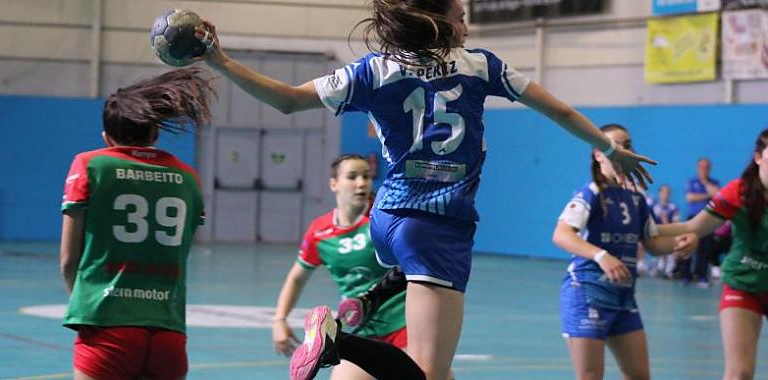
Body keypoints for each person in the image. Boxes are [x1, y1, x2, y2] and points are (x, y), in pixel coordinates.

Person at [193, 1, 656, 379]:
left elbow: (286, 100)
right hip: (437, 223)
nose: (467, 25)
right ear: (438, 25)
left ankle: (375, 299)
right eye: (460, 17)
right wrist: (607, 148)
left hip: (386, 220)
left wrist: (220, 59)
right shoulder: (480, 67)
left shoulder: (371, 70)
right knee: (428, 373)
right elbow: (561, 113)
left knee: (433, 351)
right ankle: (338, 340)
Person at [59, 67, 213, 380]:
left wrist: (85, 308)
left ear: (107, 137)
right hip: (168, 332)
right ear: (154, 133)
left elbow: (68, 261)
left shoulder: (91, 165)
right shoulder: (188, 177)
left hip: (106, 327)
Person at [552, 124, 697, 380]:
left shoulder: (637, 196)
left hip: (623, 298)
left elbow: (652, 243)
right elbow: (561, 234)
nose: (623, 150)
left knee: (640, 375)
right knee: (590, 375)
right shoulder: (591, 193)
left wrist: (680, 244)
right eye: (615, 146)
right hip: (587, 294)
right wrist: (601, 256)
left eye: (627, 145)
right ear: (598, 154)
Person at [272, 153, 408, 380]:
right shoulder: (320, 232)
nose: (361, 183)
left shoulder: (385, 220)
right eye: (352, 176)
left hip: (404, 324)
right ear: (334, 184)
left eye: (366, 176)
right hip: (360, 328)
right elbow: (296, 278)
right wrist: (279, 319)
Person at [659, 128, 768, 380]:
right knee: (739, 373)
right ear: (758, 158)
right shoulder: (739, 191)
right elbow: (692, 227)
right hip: (744, 283)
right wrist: (646, 229)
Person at [682, 157, 720, 287]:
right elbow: (690, 197)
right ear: (697, 168)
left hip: (708, 219)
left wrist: (705, 183)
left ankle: (701, 276)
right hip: (692, 218)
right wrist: (707, 195)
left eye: (706, 167)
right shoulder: (691, 182)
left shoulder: (714, 182)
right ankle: (686, 276)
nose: (704, 169)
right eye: (701, 167)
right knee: (688, 246)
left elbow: (717, 195)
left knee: (705, 249)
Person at [651, 184, 682, 278]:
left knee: (675, 243)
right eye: (663, 192)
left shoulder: (674, 207)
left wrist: (665, 223)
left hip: (669, 233)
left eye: (668, 192)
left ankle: (669, 270)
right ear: (659, 193)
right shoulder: (653, 206)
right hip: (654, 233)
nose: (665, 194)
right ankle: (654, 265)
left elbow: (676, 224)